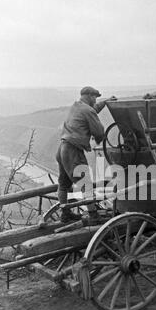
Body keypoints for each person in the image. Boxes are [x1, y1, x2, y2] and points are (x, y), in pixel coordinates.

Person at [56, 86, 116, 223]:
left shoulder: (76, 106)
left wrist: (106, 102)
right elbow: (99, 131)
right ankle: (94, 215)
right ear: (89, 96)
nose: (96, 100)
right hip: (73, 151)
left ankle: (65, 213)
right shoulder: (88, 110)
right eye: (95, 97)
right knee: (86, 183)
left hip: (62, 149)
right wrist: (100, 139)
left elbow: (92, 109)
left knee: (63, 184)